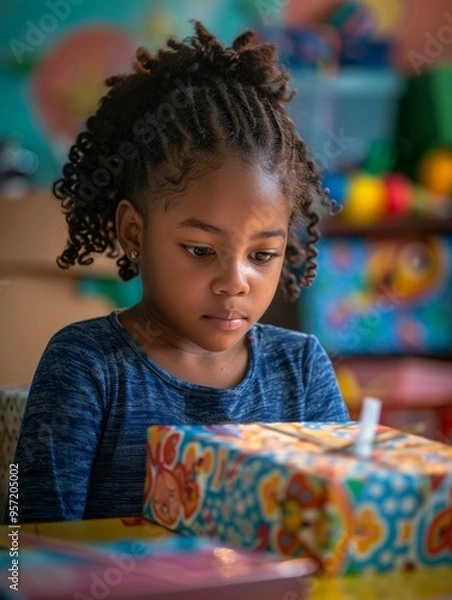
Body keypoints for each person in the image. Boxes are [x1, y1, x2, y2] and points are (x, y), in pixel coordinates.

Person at [13, 22, 348, 524]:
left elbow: (340, 522)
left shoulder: (300, 372)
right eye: (199, 249)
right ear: (133, 232)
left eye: (262, 256)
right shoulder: (87, 367)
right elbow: (25, 541)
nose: (235, 281)